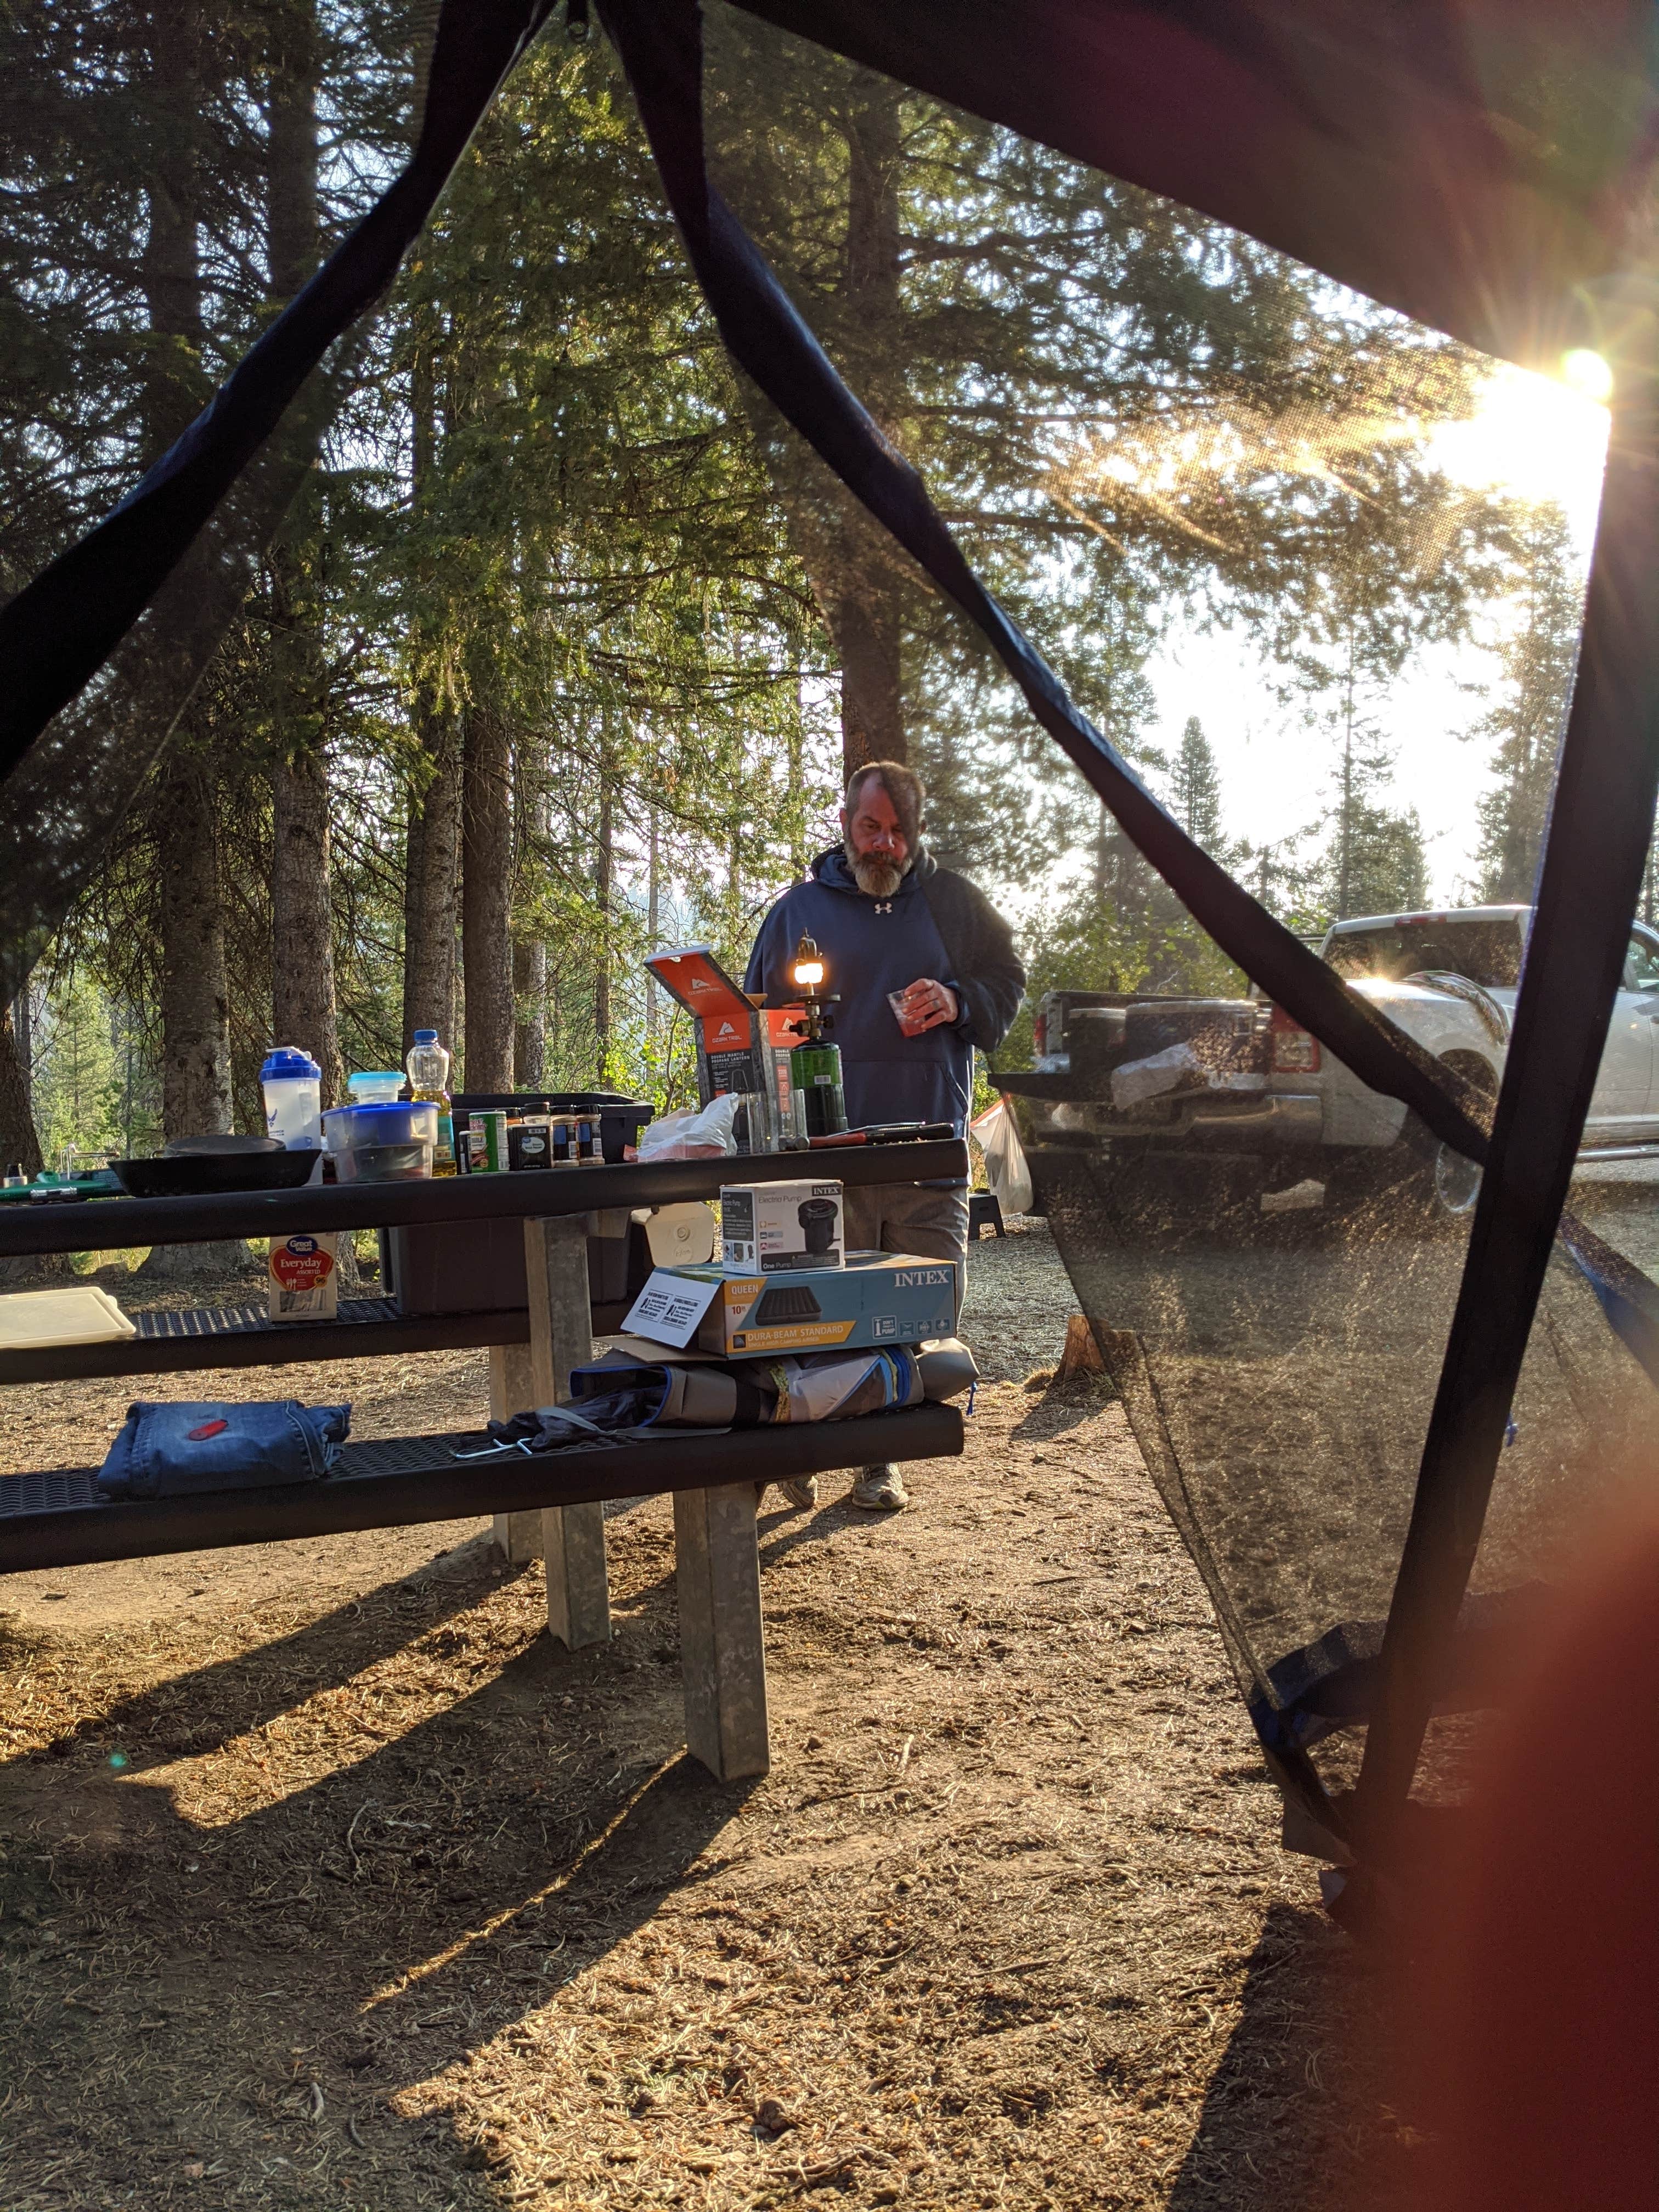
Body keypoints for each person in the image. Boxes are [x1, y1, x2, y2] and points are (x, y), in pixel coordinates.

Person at [746, 759, 1025, 1511]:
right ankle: (800, 1448)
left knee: (914, 1317)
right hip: (824, 1158)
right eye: (872, 828)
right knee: (811, 1315)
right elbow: (750, 1023)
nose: (885, 846)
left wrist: (960, 998)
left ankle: (880, 1460)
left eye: (899, 832)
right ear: (846, 825)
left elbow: (1007, 983)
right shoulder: (799, 910)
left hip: (927, 1152)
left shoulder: (955, 904)